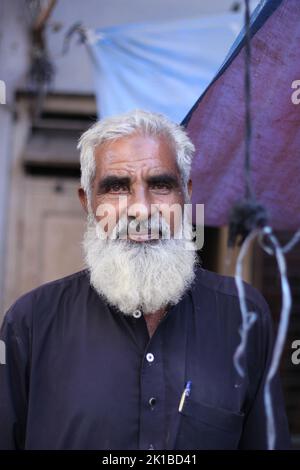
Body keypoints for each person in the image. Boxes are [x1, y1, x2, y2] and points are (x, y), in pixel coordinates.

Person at [0, 109, 290, 450]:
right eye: (117, 187)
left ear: (186, 195)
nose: (141, 208)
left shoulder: (243, 315)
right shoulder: (31, 323)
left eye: (161, 185)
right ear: (88, 203)